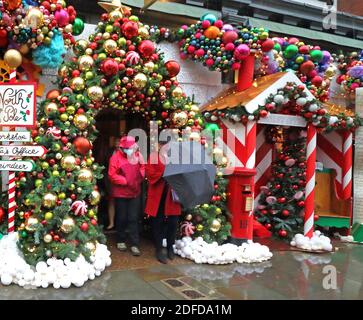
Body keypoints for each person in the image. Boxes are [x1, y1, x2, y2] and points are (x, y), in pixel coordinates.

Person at [145, 142, 181, 264]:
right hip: (158, 195)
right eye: (163, 144)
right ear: (160, 145)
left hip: (172, 196)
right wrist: (163, 174)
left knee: (173, 222)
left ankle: (170, 246)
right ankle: (159, 248)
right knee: (158, 222)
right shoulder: (154, 157)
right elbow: (149, 173)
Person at [108, 136, 145, 256]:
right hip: (121, 193)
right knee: (122, 217)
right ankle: (121, 239)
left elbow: (143, 167)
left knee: (133, 218)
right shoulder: (115, 157)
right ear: (122, 148)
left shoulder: (138, 155)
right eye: (127, 149)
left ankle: (135, 243)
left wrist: (140, 175)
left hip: (135, 192)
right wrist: (126, 181)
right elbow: (112, 175)